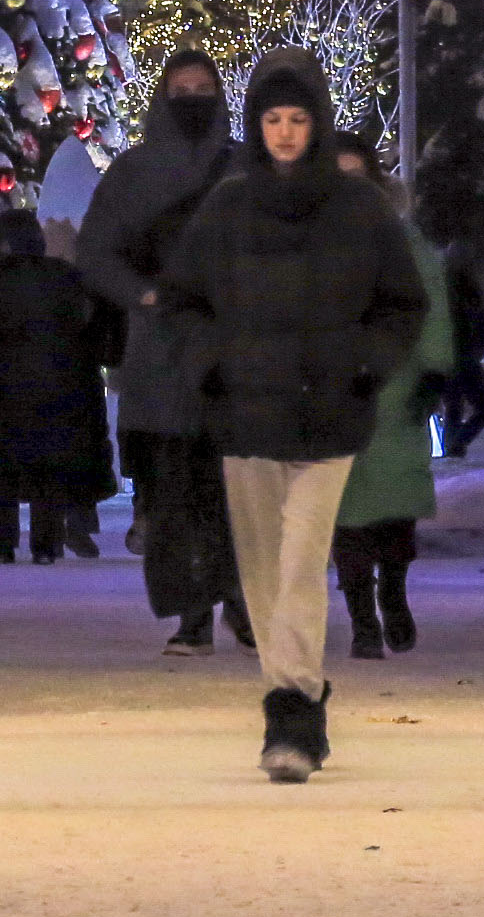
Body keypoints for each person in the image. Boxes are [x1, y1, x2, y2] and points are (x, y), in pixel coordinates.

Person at [161, 52, 427, 783]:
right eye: (273, 120)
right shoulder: (225, 209)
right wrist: (210, 359)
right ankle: (294, 706)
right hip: (245, 418)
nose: (285, 133)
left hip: (327, 418)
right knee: (261, 575)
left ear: (317, 123)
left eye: (298, 119)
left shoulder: (358, 209)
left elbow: (403, 302)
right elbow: (181, 299)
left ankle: (294, 714)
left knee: (303, 563)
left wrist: (366, 363)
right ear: (257, 124)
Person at [82, 51, 249, 653]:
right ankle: (192, 610)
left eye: (204, 87)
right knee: (174, 493)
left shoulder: (244, 167)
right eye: (182, 88)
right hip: (161, 357)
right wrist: (143, 294)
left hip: (235, 355)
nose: (193, 97)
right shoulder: (132, 173)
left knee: (240, 491)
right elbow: (96, 254)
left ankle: (243, 601)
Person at [328, 136, 455, 659]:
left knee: (394, 506)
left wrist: (433, 369)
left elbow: (432, 307)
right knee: (345, 508)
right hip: (332, 392)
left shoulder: (406, 245)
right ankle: (361, 616)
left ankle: (393, 592)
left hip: (395, 391)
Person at [0, 208, 114, 563]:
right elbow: (92, 327)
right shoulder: (66, 277)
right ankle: (46, 544)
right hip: (58, 384)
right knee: (48, 470)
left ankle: (1, 544)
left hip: (1, 385)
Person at [436, 246, 484, 459]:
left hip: (445, 356)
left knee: (453, 406)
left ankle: (453, 449)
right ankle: (457, 444)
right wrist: (477, 351)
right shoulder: (470, 291)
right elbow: (482, 328)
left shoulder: (439, 291)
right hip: (464, 356)